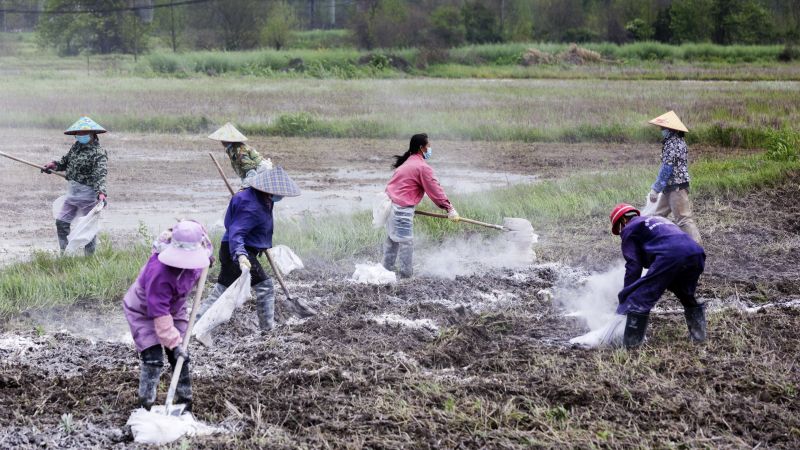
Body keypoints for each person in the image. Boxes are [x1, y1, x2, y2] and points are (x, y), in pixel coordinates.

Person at [122, 220, 213, 412]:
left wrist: (208, 260)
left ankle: (184, 403)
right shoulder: (159, 272)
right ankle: (145, 405)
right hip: (144, 310)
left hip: (175, 308)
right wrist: (173, 343)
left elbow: (206, 245)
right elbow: (160, 314)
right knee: (153, 358)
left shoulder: (201, 251)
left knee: (181, 357)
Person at [200, 166, 301, 331]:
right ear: (268, 190)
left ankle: (195, 322)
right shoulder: (250, 205)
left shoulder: (260, 196)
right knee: (265, 287)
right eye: (279, 193)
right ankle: (267, 330)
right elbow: (237, 232)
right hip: (239, 250)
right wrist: (240, 255)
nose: (281, 196)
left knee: (221, 291)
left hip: (236, 247)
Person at [609, 203, 707, 348]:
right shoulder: (657, 220)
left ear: (623, 220)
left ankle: (631, 346)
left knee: (638, 298)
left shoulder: (629, 228)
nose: (621, 231)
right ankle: (699, 337)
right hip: (696, 254)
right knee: (686, 295)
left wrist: (626, 295)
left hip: (670, 256)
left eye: (619, 227)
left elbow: (633, 266)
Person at [382, 133, 459, 278]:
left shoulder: (407, 163)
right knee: (406, 243)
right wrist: (449, 208)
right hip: (401, 210)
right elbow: (435, 190)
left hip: (391, 207)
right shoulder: (422, 167)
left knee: (393, 240)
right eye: (428, 146)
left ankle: (385, 271)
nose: (430, 148)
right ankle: (405, 276)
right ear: (421, 148)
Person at [42, 117, 108, 255]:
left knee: (87, 228)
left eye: (84, 133)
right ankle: (65, 253)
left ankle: (89, 258)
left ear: (92, 134)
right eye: (78, 133)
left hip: (88, 195)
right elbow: (64, 162)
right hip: (73, 194)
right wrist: (53, 165)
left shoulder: (99, 153)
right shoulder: (76, 148)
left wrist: (101, 193)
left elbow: (100, 174)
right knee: (61, 222)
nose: (80, 135)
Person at [647, 110, 701, 243]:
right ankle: (655, 244)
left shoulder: (672, 144)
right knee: (658, 216)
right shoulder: (678, 141)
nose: (661, 130)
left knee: (684, 219)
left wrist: (655, 189)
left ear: (670, 129)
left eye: (662, 128)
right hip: (671, 187)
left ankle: (697, 248)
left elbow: (667, 168)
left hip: (676, 187)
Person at [208, 122, 272, 186]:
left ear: (227, 140)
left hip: (262, 171)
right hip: (254, 172)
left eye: (223, 140)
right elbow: (242, 169)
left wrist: (245, 185)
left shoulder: (240, 151)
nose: (221, 142)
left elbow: (251, 171)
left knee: (250, 188)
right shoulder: (231, 149)